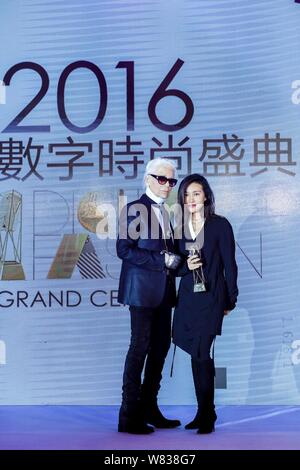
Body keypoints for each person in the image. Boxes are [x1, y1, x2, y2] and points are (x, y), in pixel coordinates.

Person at [117, 158, 182, 434]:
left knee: (161, 349)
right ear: (148, 179)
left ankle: (149, 408)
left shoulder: (167, 212)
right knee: (139, 348)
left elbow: (170, 253)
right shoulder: (134, 209)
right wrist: (161, 260)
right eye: (161, 179)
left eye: (172, 181)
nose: (167, 185)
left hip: (165, 293)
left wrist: (179, 263)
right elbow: (124, 249)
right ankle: (129, 415)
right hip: (141, 293)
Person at [172, 174, 238, 434]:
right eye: (186, 195)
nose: (191, 199)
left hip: (212, 296)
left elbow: (230, 265)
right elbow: (173, 266)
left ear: (206, 196)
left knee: (201, 351)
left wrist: (230, 298)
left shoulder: (220, 225)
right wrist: (184, 267)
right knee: (196, 353)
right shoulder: (179, 228)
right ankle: (204, 411)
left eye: (196, 193)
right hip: (188, 297)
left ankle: (208, 415)